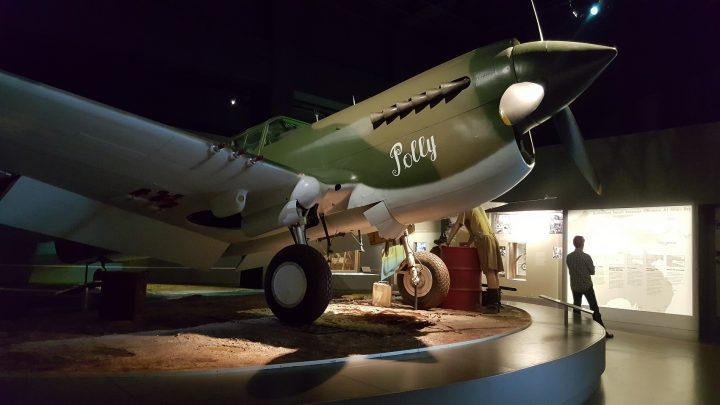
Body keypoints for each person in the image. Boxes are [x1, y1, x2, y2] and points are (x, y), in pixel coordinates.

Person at [445, 206, 504, 313]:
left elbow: (458, 224)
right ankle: (497, 302)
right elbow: (476, 227)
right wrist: (468, 243)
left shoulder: (466, 206)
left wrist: (447, 242)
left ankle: (493, 305)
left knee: (489, 271)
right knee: (494, 272)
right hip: (491, 238)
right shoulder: (479, 207)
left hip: (484, 240)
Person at [566, 235, 614, 338]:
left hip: (575, 286)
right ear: (583, 244)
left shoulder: (569, 257)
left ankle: (575, 332)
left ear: (574, 244)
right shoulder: (586, 257)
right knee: (594, 309)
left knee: (576, 309)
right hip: (587, 286)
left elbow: (571, 269)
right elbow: (592, 271)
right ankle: (603, 333)